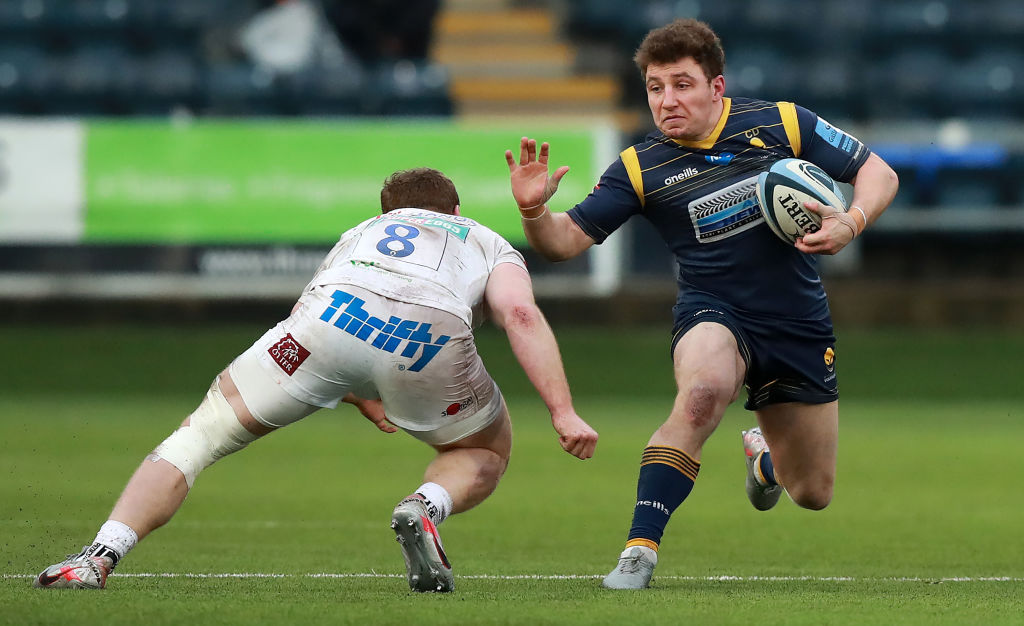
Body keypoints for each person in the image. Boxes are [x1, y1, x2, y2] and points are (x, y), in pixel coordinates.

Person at [34, 167, 598, 593]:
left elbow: (321, 313)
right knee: (485, 449)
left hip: (325, 324)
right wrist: (562, 411)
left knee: (197, 437)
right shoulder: (483, 238)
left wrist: (357, 388)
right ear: (455, 206)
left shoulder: (360, 232)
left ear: (385, 210)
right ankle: (424, 507)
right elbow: (519, 316)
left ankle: (96, 558)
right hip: (427, 338)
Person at [505, 18, 898, 589]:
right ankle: (639, 551)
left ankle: (766, 459)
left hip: (796, 321)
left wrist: (852, 221)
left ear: (717, 87)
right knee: (702, 394)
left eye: (682, 85)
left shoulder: (782, 122)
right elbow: (564, 244)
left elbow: (877, 173)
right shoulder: (641, 167)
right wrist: (535, 213)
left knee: (812, 492)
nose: (667, 101)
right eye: (655, 87)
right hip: (713, 312)